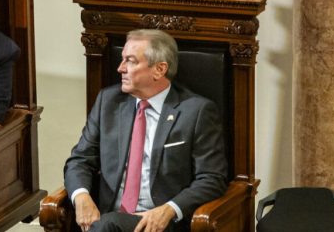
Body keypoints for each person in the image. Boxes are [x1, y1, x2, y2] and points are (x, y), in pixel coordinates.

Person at [64, 29, 227, 232]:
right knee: (108, 223)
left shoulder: (196, 111)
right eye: (122, 59)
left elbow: (212, 178)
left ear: (159, 69)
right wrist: (81, 197)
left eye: (130, 61)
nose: (120, 68)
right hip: (109, 217)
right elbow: (80, 160)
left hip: (161, 224)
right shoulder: (109, 102)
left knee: (108, 225)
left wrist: (168, 209)